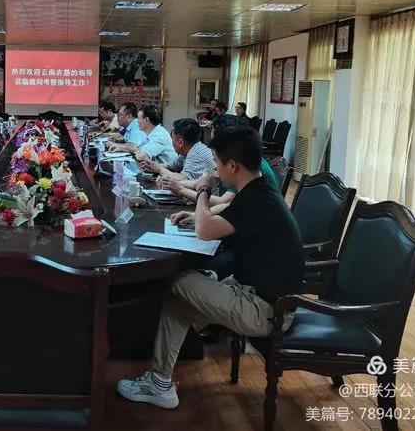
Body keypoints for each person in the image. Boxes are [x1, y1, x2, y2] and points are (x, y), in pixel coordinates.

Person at [117, 126, 304, 409]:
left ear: (233, 165)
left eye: (216, 163)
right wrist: (196, 216)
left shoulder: (255, 198)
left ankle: (158, 379)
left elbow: (206, 231)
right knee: (178, 303)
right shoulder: (258, 190)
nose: (214, 169)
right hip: (254, 293)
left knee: (176, 279)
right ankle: (160, 384)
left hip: (266, 310)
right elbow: (220, 220)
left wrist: (204, 188)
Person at [142, 119, 215, 181]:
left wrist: (159, 169)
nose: (172, 141)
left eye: (172, 138)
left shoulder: (196, 155)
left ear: (180, 143)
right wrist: (153, 166)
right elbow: (170, 167)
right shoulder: (186, 151)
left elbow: (182, 179)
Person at [110, 105, 176, 163]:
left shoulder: (159, 135)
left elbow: (141, 156)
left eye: (138, 119)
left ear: (146, 120)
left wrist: (136, 151)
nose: (137, 122)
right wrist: (122, 148)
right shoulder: (152, 132)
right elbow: (140, 150)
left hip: (166, 171)